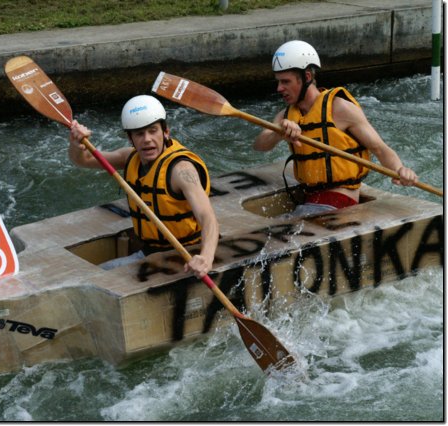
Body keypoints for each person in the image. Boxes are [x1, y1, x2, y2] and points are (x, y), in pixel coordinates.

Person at [253, 40, 419, 217]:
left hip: (339, 201)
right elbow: (260, 145)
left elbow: (379, 148)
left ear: (307, 77)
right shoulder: (286, 115)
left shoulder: (340, 108)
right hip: (311, 200)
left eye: (286, 81)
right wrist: (278, 132)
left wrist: (401, 170)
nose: (279, 88)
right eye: (278, 82)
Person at [68, 95, 219, 279]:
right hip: (151, 253)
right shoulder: (129, 157)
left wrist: (205, 257)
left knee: (100, 276)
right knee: (94, 274)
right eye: (139, 134)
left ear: (165, 132)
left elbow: (207, 217)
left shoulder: (181, 170)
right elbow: (82, 160)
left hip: (187, 253)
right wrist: (77, 144)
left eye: (153, 130)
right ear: (131, 138)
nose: (147, 139)